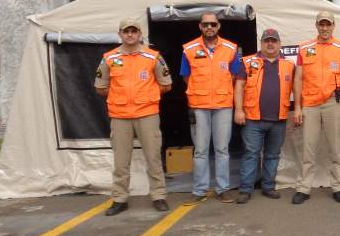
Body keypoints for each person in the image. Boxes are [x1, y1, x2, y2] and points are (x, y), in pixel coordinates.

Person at [94, 18, 172, 216]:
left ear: (139, 34)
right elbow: (100, 87)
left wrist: (146, 97)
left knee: (153, 157)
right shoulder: (109, 58)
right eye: (125, 31)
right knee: (121, 161)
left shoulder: (153, 56)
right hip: (120, 116)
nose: (130, 34)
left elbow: (166, 84)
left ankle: (158, 195)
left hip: (147, 114)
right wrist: (120, 97)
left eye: (133, 31)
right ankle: (120, 198)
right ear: (119, 34)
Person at [292, 10, 340, 204]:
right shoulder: (304, 48)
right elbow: (298, 77)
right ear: (316, 25)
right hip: (310, 104)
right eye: (321, 24)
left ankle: (338, 186)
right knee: (308, 148)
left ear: (334, 26)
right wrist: (297, 107)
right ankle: (304, 188)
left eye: (328, 24)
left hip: (333, 104)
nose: (325, 28)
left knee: (336, 148)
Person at [180, 12, 242, 204]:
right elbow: (186, 76)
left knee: (222, 149)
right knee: (200, 150)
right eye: (205, 24)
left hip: (223, 105)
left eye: (212, 24)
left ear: (218, 26)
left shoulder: (231, 48)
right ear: (200, 26)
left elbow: (235, 77)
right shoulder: (189, 49)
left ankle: (223, 188)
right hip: (199, 106)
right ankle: (199, 190)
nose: (209, 28)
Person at [233, 29, 295, 204]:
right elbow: (239, 87)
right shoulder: (247, 62)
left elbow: (297, 88)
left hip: (278, 119)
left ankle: (268, 187)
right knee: (251, 154)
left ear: (279, 44)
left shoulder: (289, 65)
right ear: (261, 43)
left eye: (273, 41)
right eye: (267, 41)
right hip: (252, 118)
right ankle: (245, 189)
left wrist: (298, 109)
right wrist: (239, 110)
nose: (270, 44)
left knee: (272, 155)